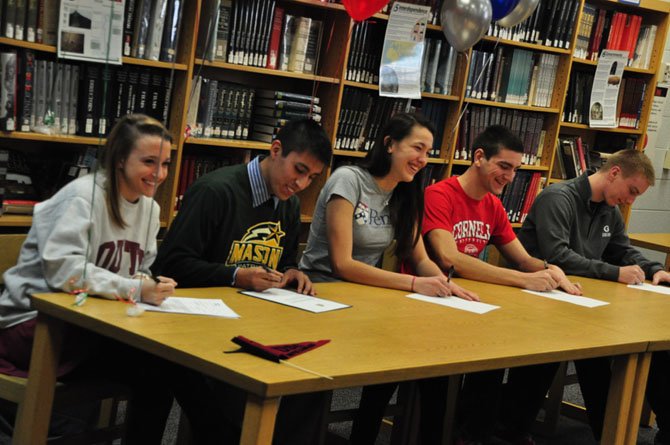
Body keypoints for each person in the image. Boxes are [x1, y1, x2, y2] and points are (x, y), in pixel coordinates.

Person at [0, 114, 222, 444]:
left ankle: (219, 435)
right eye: (149, 162)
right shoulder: (82, 197)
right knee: (164, 367)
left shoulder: (149, 210)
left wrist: (150, 284)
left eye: (164, 164)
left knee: (169, 366)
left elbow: (138, 270)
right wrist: (135, 288)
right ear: (120, 159)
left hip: (91, 325)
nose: (158, 175)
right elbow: (65, 273)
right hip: (36, 327)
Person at [299, 112, 479, 444]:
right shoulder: (348, 179)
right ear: (390, 144)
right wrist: (413, 284)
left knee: (435, 355)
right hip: (321, 295)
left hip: (365, 301)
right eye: (418, 148)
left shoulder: (406, 191)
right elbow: (343, 264)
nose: (423, 159)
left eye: (428, 152)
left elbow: (419, 256)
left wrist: (445, 284)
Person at [152, 118, 333, 445]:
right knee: (239, 400)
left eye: (312, 178)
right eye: (299, 170)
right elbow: (170, 265)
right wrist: (235, 275)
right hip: (195, 326)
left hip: (255, 323)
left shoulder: (288, 205)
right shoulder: (215, 191)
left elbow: (284, 258)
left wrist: (292, 270)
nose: (302, 184)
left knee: (312, 384)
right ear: (276, 150)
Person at [420, 124, 581, 445]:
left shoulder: (492, 205)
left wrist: (552, 269)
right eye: (503, 166)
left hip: (472, 302)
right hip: (430, 303)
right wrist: (524, 279)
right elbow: (450, 258)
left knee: (514, 349)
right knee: (484, 353)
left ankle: (483, 432)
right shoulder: (439, 194)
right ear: (479, 157)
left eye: (515, 169)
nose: (509, 177)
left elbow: (522, 258)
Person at [515, 148, 670, 444]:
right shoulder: (557, 198)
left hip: (583, 302)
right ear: (614, 173)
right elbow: (557, 255)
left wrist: (654, 269)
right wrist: (614, 273)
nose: (630, 200)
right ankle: (607, 433)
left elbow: (622, 250)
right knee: (598, 354)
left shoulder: (609, 209)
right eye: (631, 190)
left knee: (653, 348)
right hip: (540, 302)